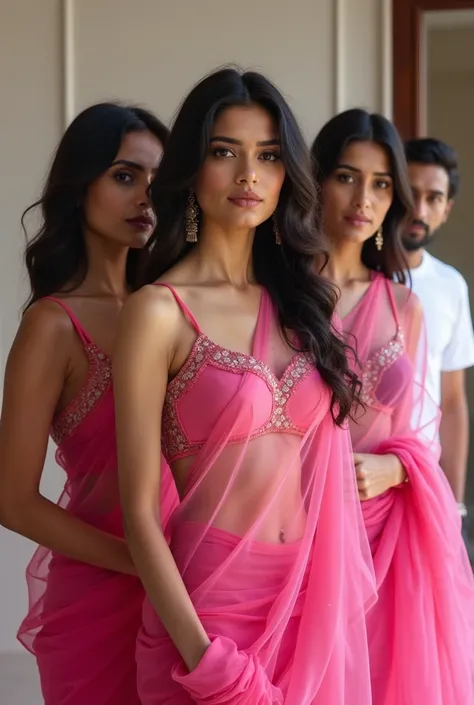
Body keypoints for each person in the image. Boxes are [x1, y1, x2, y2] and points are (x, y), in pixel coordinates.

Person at [113, 68, 376, 705]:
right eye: (225, 152)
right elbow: (141, 511)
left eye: (268, 156)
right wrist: (206, 659)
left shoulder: (304, 305)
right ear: (191, 169)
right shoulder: (158, 311)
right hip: (207, 611)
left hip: (308, 599)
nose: (248, 175)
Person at [0, 102, 177, 705]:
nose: (146, 198)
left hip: (198, 585)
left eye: (158, 181)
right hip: (105, 593)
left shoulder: (177, 308)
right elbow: (13, 500)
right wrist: (143, 564)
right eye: (125, 176)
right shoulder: (53, 325)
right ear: (80, 187)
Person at [311, 109, 474, 705]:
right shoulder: (278, 295)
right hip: (296, 530)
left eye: (381, 184)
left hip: (385, 534)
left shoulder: (406, 306)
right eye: (347, 177)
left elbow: (424, 428)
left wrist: (399, 468)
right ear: (317, 180)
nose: (365, 198)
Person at [403, 137, 474, 541]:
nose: (420, 209)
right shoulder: (357, 280)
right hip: (358, 476)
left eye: (433, 198)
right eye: (410, 193)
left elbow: (452, 401)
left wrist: (455, 503)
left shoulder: (450, 286)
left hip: (424, 482)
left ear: (446, 210)